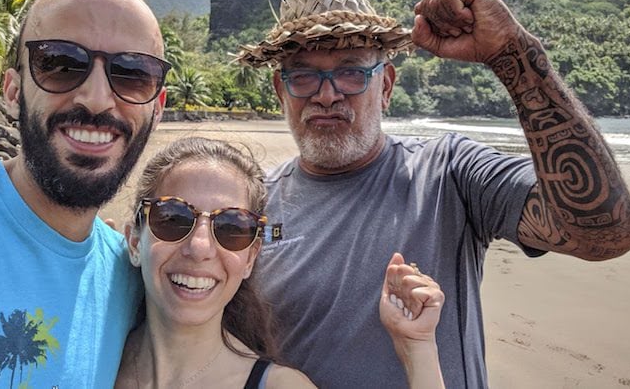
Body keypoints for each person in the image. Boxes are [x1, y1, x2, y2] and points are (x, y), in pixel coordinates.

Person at [235, 0, 630, 388]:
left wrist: (513, 53)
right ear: (281, 91)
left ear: (387, 86)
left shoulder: (449, 171)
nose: (326, 94)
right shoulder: (249, 209)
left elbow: (606, 234)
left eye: (351, 72)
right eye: (302, 75)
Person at [116, 137, 446, 388]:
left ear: (250, 258)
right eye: (173, 218)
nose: (200, 247)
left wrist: (417, 348)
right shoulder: (88, 357)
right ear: (134, 241)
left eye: (232, 228)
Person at [0, 0, 170, 387]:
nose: (97, 99)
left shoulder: (132, 278)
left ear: (157, 108)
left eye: (133, 72)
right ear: (13, 91)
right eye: (61, 64)